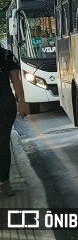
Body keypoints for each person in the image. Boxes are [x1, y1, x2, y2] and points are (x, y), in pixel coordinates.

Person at [0, 45, 28, 196]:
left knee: (2, 143)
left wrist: (22, 101)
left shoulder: (6, 55)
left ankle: (5, 182)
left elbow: (16, 81)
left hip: (4, 106)